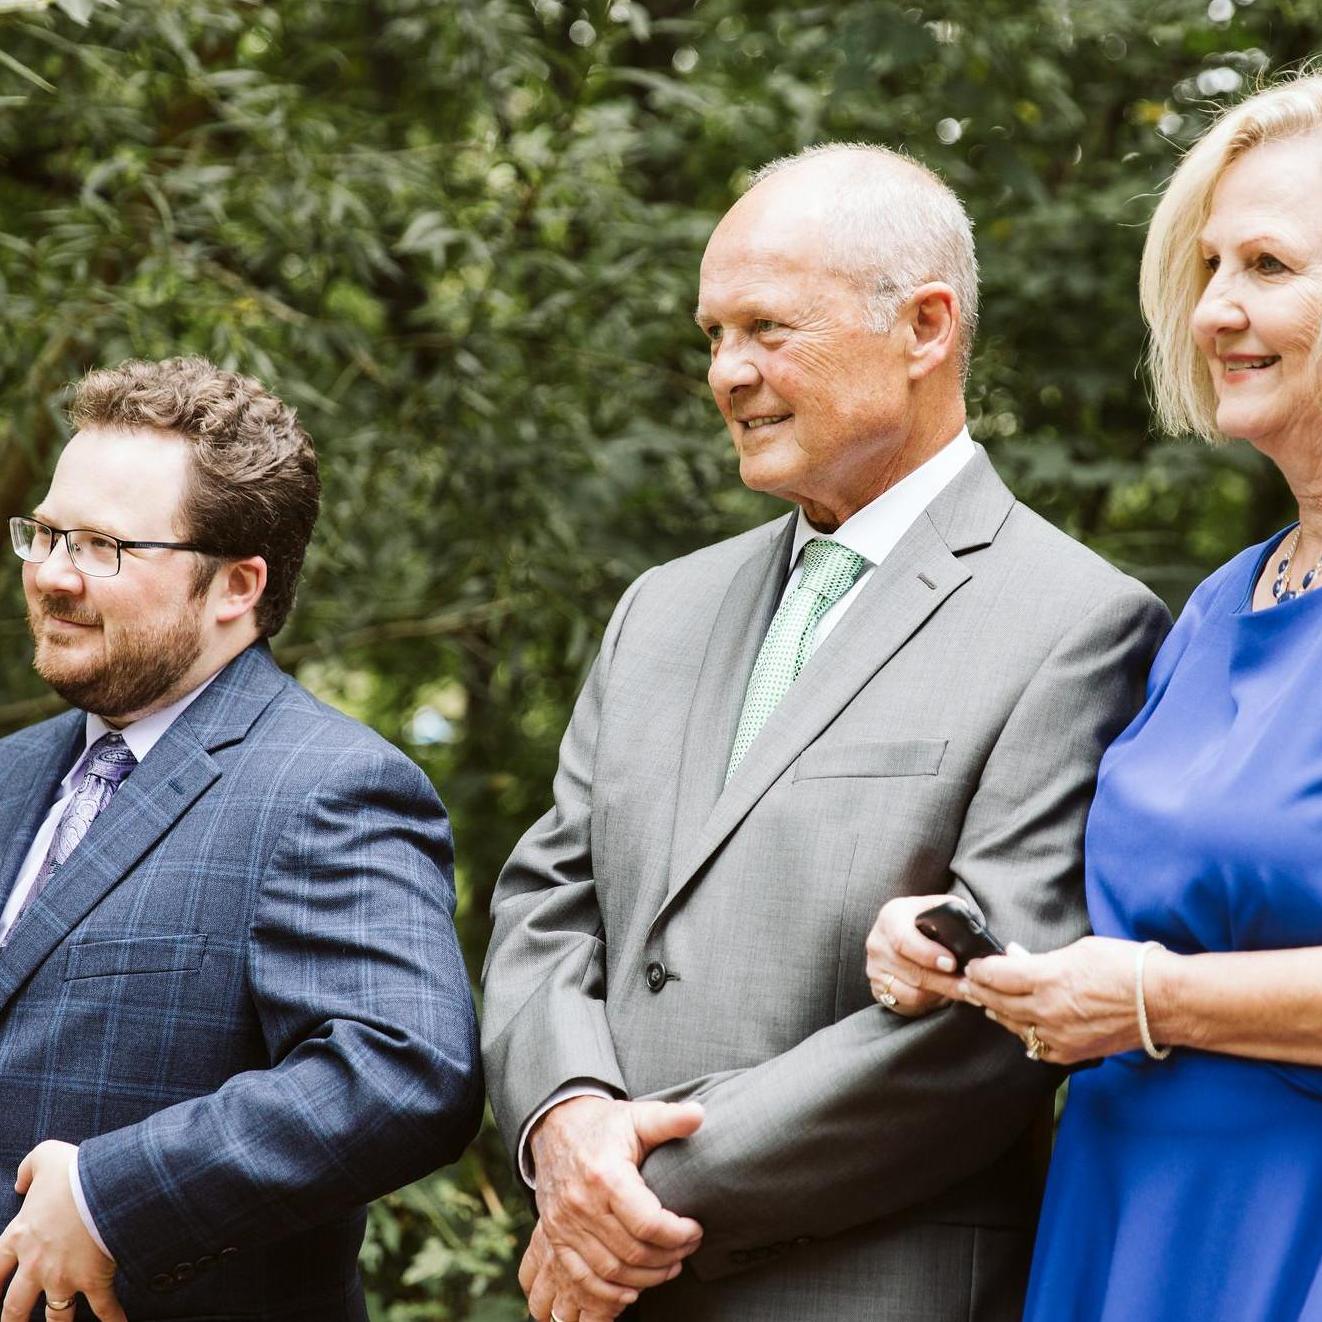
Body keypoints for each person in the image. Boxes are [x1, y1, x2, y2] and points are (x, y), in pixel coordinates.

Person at [481, 144, 1169, 1322]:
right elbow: (544, 906)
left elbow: (980, 1029)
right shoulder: (661, 606)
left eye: (765, 328)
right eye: (710, 335)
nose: (725, 373)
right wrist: (562, 1123)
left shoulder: (1077, 622)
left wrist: (628, 1198)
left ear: (922, 328)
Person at [866, 71, 1322, 1322]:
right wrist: (970, 949)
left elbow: (1154, 971)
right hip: (1122, 1208)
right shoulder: (1221, 604)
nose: (1215, 307)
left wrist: (1142, 1000)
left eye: (1269, 265)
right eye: (1209, 265)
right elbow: (1142, 903)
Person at [0, 357, 482, 1321]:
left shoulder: (331, 787)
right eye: (46, 533)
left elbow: (405, 1070)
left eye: (103, 547)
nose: (51, 574)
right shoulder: (11, 772)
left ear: (235, 586)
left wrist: (113, 1197)